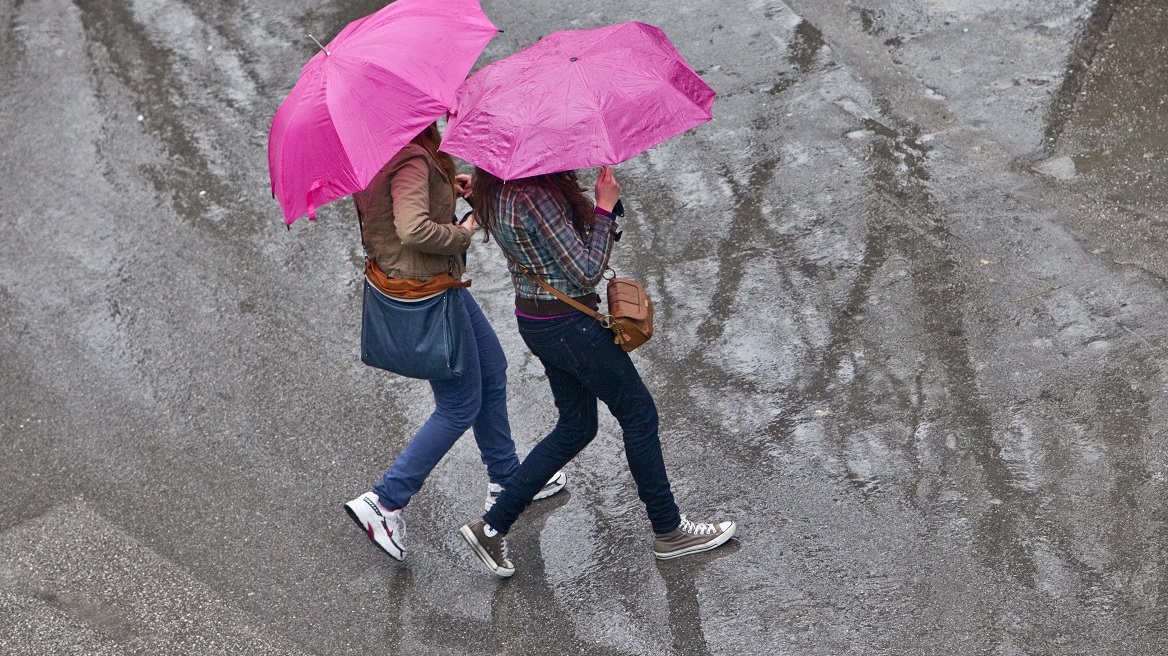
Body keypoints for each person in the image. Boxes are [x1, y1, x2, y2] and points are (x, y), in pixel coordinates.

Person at [458, 165, 735, 577]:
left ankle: (492, 525)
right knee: (639, 415)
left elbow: (540, 240)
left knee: (576, 426)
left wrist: (477, 194)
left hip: (536, 319)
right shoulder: (534, 193)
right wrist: (605, 209)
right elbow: (586, 270)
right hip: (570, 325)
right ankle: (669, 530)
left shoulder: (492, 183)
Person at [343, 123, 565, 562]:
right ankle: (385, 502)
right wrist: (461, 233)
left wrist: (448, 189)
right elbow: (411, 228)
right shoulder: (409, 156)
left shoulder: (380, 147)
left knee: (492, 367)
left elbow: (396, 214)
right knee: (458, 404)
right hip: (428, 294)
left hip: (434, 286)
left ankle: (506, 479)